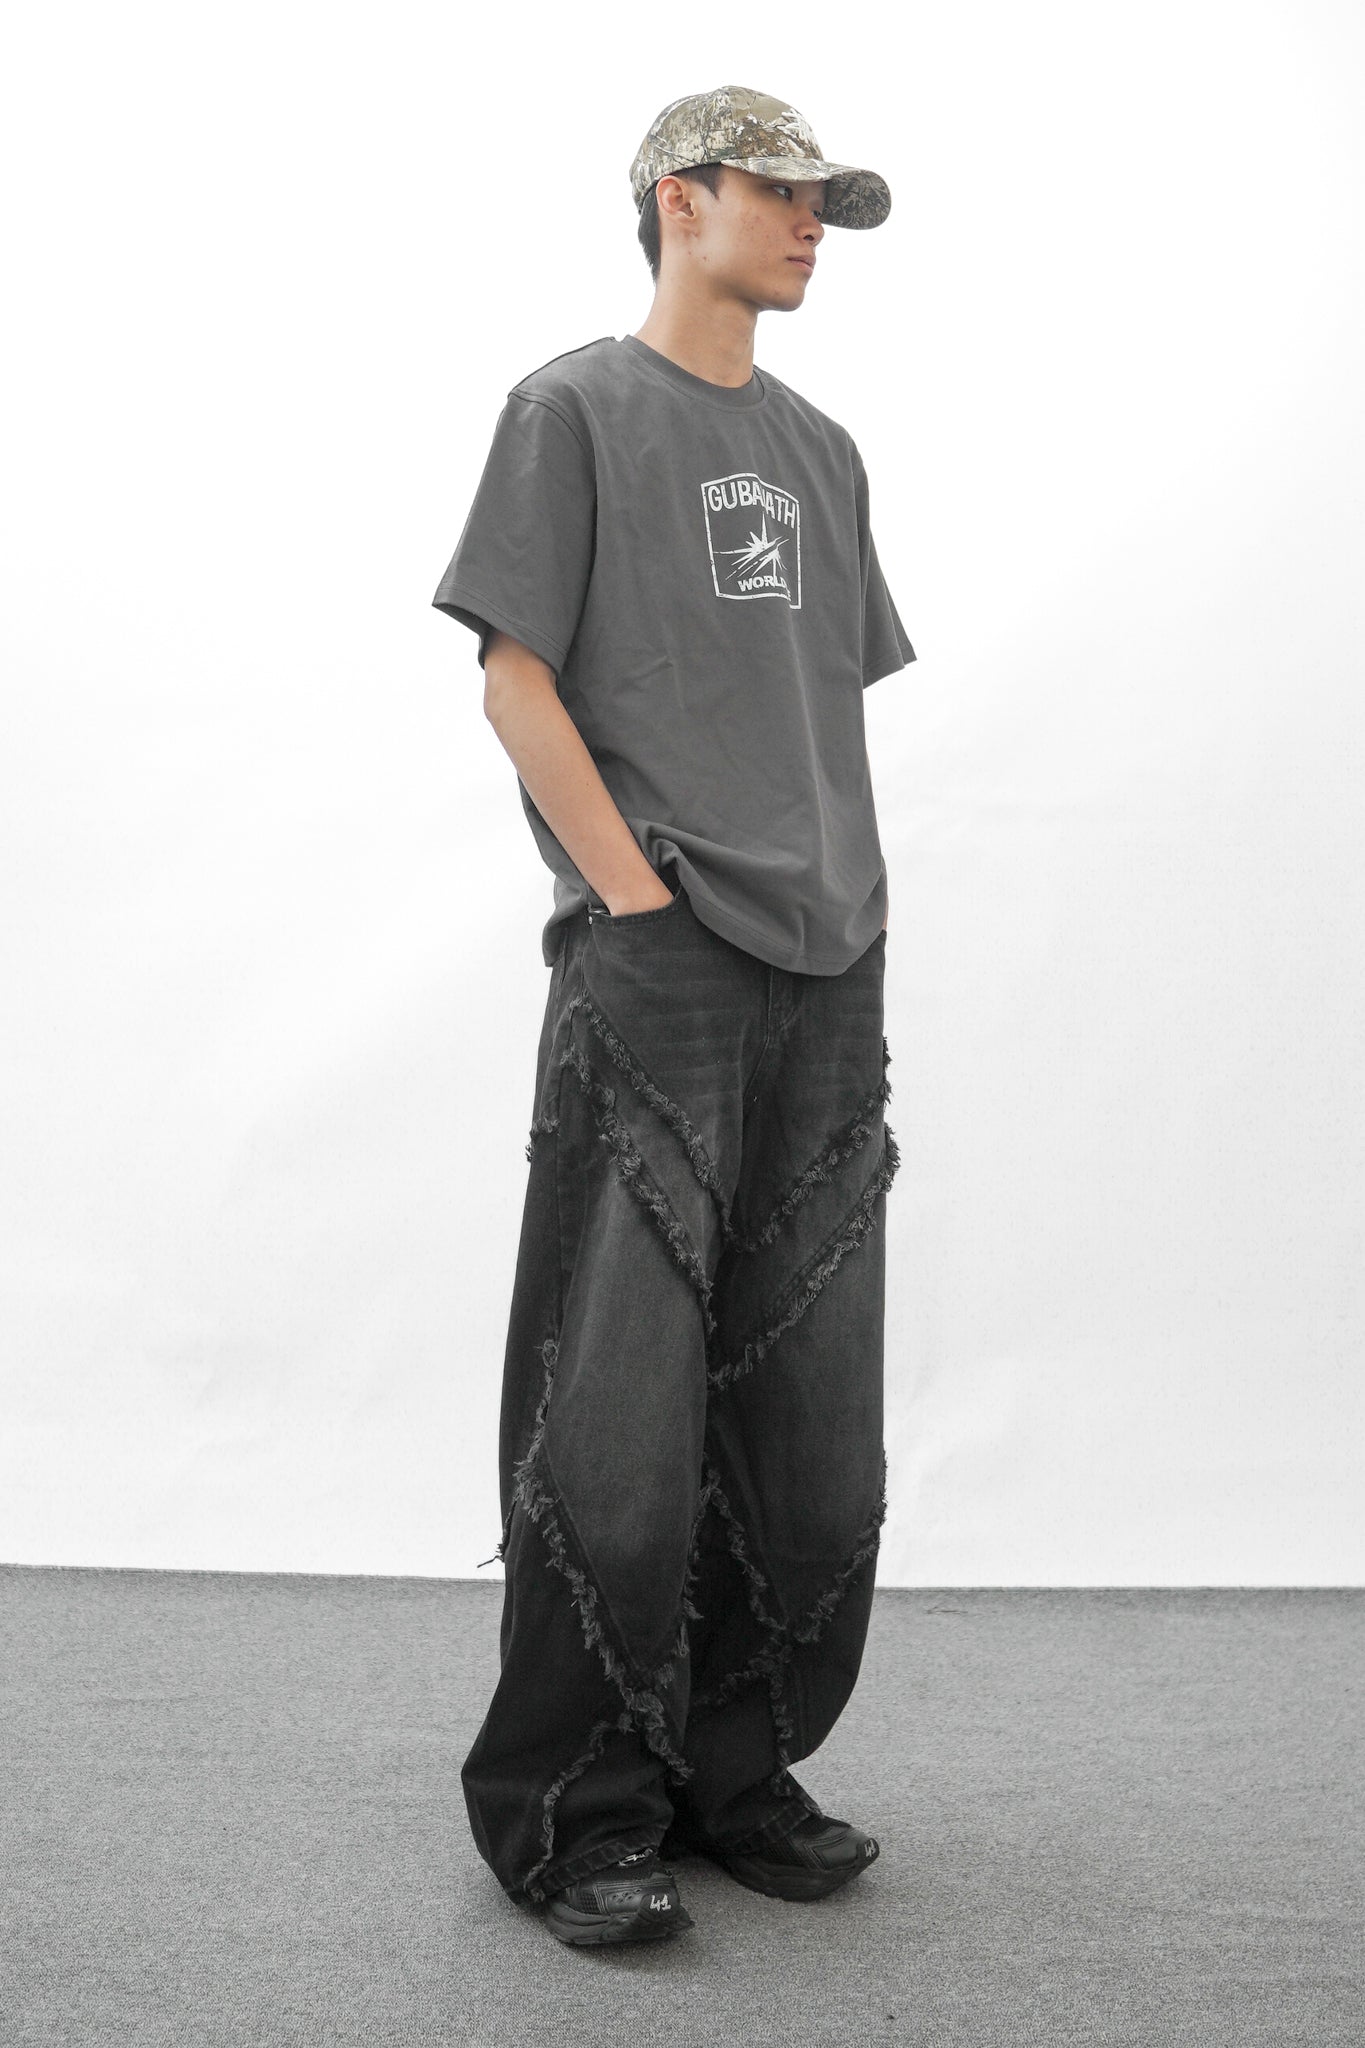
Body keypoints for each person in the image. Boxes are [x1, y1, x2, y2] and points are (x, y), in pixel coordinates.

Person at [431, 84, 915, 1948]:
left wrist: (845, 895)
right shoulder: (570, 411)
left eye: (824, 206)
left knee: (811, 1410)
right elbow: (516, 680)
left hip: (829, 960)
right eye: (780, 195)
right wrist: (632, 893)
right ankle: (576, 1811)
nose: (808, 229)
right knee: (618, 1406)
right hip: (664, 953)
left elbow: (811, 700)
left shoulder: (821, 449)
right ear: (675, 197)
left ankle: (736, 1766)